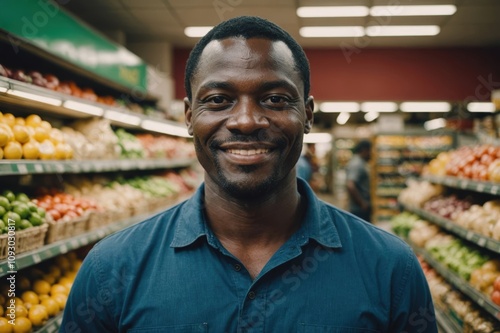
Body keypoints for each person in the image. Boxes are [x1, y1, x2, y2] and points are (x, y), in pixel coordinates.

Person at [60, 16, 437, 332]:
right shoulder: (111, 269)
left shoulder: (391, 269)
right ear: (189, 117)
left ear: (306, 114)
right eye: (218, 100)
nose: (245, 121)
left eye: (274, 99)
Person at [346, 139, 372, 222]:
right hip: (358, 209)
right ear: (364, 150)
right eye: (370, 151)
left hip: (359, 208)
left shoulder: (359, 162)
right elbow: (350, 185)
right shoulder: (357, 164)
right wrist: (362, 203)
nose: (371, 154)